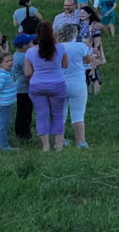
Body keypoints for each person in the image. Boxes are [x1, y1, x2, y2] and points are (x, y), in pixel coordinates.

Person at [20, 20, 81, 151]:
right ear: (52, 34)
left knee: (42, 114)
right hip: (57, 84)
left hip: (37, 86)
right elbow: (65, 65)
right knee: (57, 114)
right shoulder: (60, 48)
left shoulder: (30, 52)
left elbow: (27, 73)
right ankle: (58, 145)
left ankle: (45, 146)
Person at [56, 22, 96, 146]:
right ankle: (81, 142)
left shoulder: (56, 47)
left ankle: (60, 141)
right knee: (78, 114)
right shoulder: (80, 46)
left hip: (59, 83)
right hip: (77, 82)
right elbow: (88, 60)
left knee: (60, 114)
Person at [0, 44, 21, 151]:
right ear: (0, 64)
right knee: (4, 123)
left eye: (11, 60)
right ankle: (3, 145)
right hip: (4, 104)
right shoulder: (2, 75)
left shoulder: (7, 73)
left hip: (9, 102)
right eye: (7, 62)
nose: (10, 63)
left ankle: (4, 142)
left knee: (6, 122)